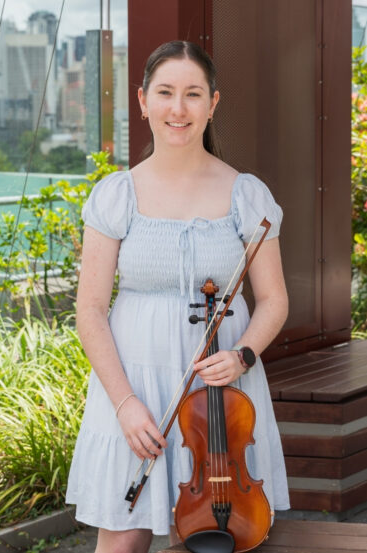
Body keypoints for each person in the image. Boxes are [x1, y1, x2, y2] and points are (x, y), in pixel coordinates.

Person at [65, 40, 290, 553]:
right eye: (165, 93)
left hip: (221, 394)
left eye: (193, 94)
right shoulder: (116, 194)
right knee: (121, 540)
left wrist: (243, 355)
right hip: (134, 386)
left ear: (212, 104)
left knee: (217, 534)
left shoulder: (245, 194)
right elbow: (91, 309)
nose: (178, 108)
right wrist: (124, 404)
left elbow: (274, 299)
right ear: (143, 101)